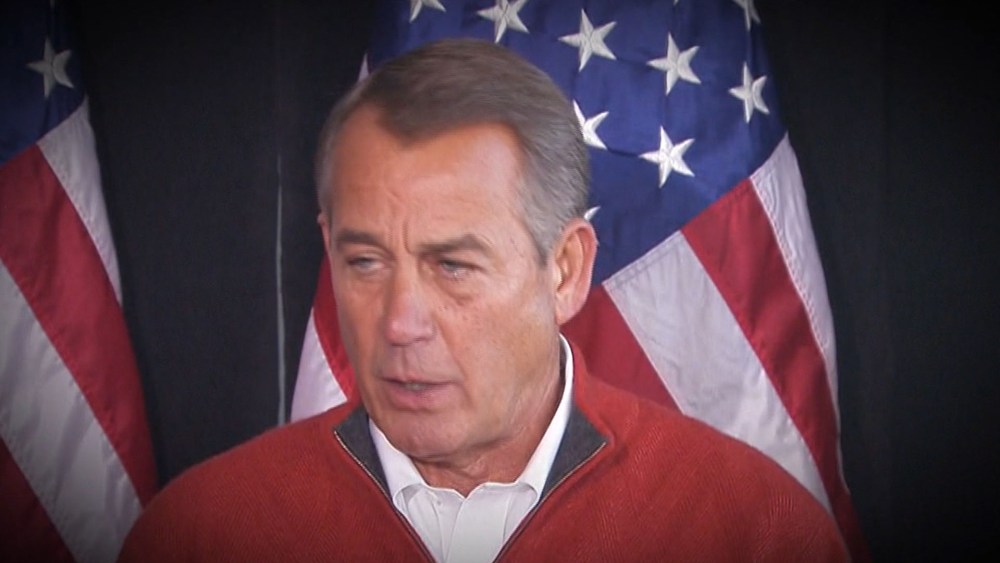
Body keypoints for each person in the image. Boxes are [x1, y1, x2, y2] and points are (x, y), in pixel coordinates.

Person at [118, 38, 848, 562]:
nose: (400, 323)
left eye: (453, 266)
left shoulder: (752, 529)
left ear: (565, 271)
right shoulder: (203, 534)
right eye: (365, 261)